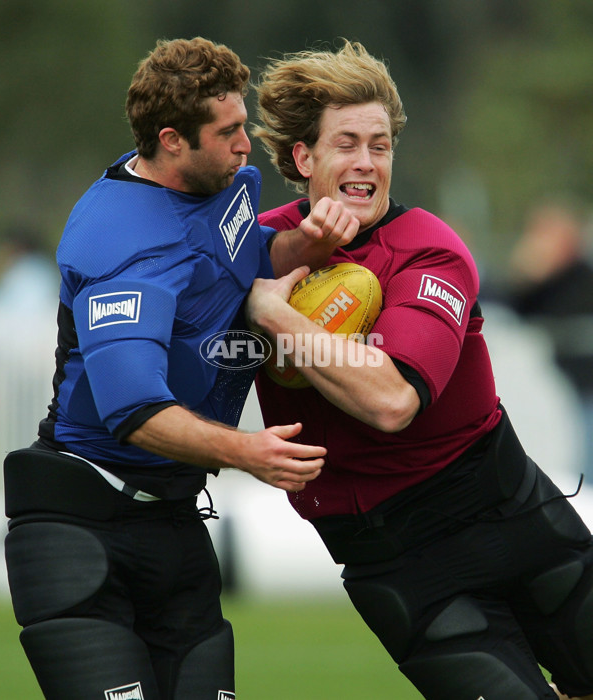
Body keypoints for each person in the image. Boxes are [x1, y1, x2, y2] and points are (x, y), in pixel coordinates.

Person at [2, 37, 360, 700]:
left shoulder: (221, 183)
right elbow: (133, 411)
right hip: (84, 528)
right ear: (171, 140)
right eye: (227, 133)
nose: (246, 146)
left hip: (173, 523)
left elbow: (231, 262)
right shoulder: (120, 247)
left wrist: (299, 246)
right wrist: (247, 451)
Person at [246, 40, 593, 700]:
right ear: (303, 157)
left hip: (507, 521)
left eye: (380, 145)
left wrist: (280, 319)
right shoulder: (253, 250)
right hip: (398, 566)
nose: (367, 162)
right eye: (347, 142)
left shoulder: (427, 249)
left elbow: (392, 402)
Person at [507, 198, 593, 486]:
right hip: (553, 388)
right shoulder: (541, 282)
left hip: (583, 389)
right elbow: (514, 311)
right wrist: (527, 274)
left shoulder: (582, 276)